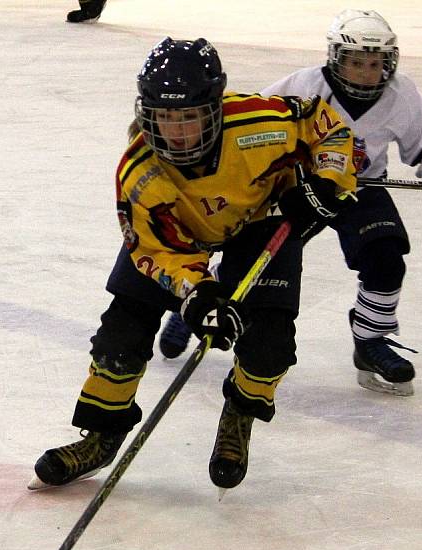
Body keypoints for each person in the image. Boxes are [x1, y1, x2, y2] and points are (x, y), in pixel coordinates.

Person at [29, 37, 358, 492]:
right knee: (119, 338)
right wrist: (197, 291)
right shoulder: (138, 171)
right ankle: (102, 434)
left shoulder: (261, 121)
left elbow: (326, 129)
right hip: (178, 236)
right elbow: (156, 250)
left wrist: (325, 179)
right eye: (164, 118)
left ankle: (241, 411)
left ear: (216, 107)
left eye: (188, 118)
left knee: (270, 343)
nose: (177, 133)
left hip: (262, 218)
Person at [158, 9, 422, 396]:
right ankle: (208, 295)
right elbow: (256, 125)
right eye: (356, 62)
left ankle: (373, 340)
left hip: (359, 189)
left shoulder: (402, 94)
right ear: (336, 58)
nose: (367, 72)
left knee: (385, 257)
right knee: (259, 261)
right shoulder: (303, 85)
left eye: (376, 63)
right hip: (300, 189)